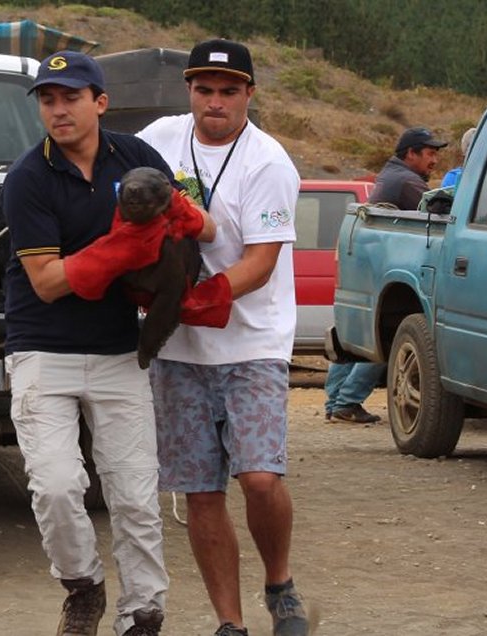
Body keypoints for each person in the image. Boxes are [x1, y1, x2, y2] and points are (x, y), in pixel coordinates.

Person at [1, 50, 216, 636]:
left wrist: (189, 225)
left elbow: (200, 226)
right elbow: (46, 284)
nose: (58, 109)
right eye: (47, 99)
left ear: (100, 102)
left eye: (70, 97)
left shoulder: (139, 157)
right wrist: (120, 251)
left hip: (122, 348)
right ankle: (83, 586)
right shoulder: (28, 177)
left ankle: (143, 611)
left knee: (135, 494)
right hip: (43, 346)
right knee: (56, 486)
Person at [136, 39, 308, 636]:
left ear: (248, 95)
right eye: (204, 89)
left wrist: (206, 297)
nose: (215, 102)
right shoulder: (158, 139)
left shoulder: (268, 162)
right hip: (178, 349)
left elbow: (261, 261)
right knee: (201, 491)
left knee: (259, 477)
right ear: (189, 90)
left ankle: (279, 582)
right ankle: (229, 622)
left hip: (252, 341)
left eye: (228, 91)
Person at [324, 126, 450, 425]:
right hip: (390, 269)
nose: (434, 160)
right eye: (430, 153)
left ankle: (336, 402)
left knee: (357, 333)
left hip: (370, 263)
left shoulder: (390, 175)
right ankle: (348, 401)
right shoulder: (407, 182)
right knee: (391, 335)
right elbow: (443, 212)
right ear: (411, 154)